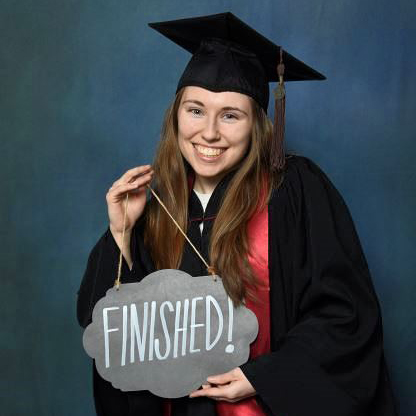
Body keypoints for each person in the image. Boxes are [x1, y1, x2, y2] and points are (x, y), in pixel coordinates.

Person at [77, 12, 399, 416]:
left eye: (230, 115)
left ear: (257, 126)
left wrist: (262, 377)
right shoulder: (157, 204)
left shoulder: (293, 191)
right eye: (195, 110)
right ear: (175, 116)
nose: (209, 132)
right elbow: (110, 333)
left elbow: (345, 315)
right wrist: (121, 233)